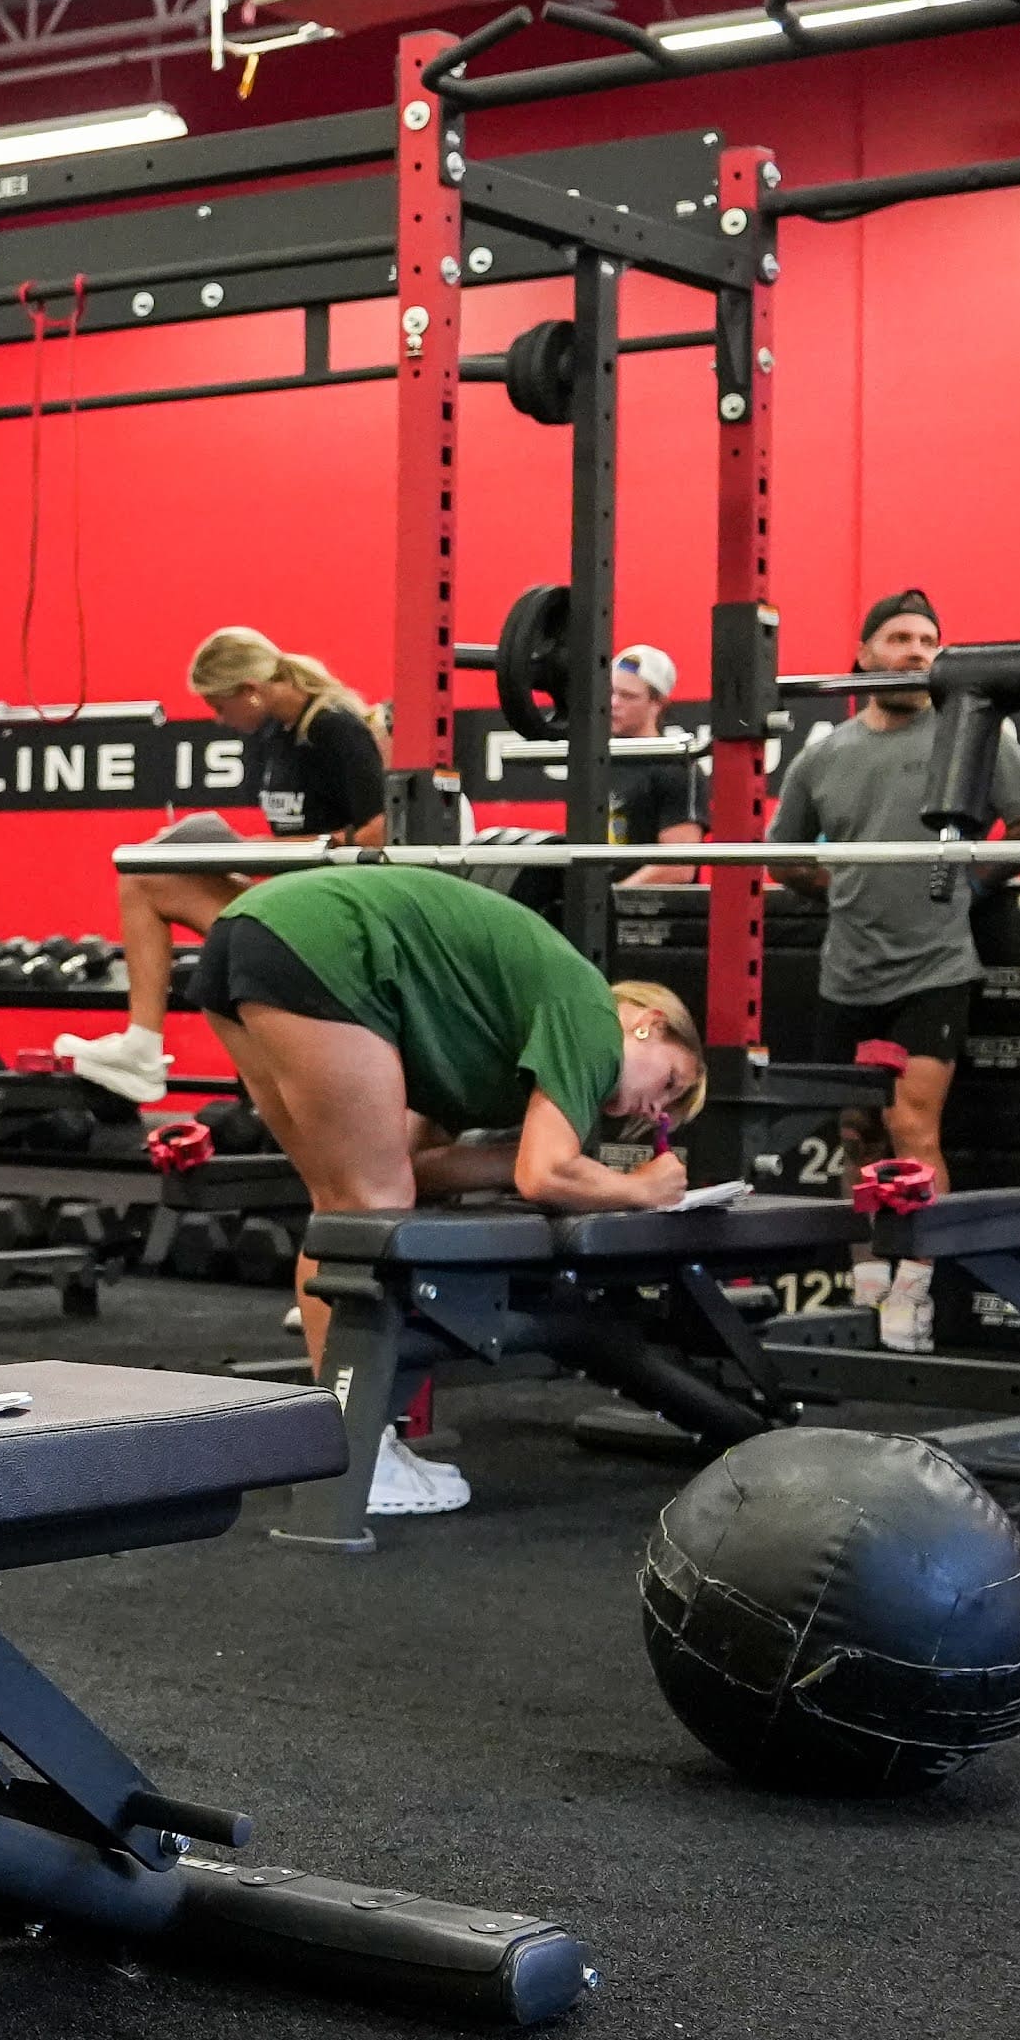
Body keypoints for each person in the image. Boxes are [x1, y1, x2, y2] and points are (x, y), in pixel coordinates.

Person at [184, 862, 708, 1519]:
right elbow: (545, 1173)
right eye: (670, 1084)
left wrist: (519, 1157)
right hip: (326, 943)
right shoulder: (593, 1016)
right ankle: (359, 1458)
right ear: (649, 1024)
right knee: (367, 1209)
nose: (651, 1110)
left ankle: (342, 1446)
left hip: (247, 934)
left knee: (342, 1207)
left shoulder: (504, 1041)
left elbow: (421, 1165)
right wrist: (639, 1188)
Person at [773, 589, 1020, 1356]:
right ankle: (867, 1283)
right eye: (899, 637)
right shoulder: (826, 753)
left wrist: (970, 881)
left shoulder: (969, 736)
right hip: (847, 974)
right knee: (856, 1130)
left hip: (935, 968)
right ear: (863, 655)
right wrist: (845, 889)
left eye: (929, 639)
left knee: (911, 1123)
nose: (916, 651)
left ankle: (915, 1289)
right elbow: (782, 852)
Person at [56, 625, 392, 1105]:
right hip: (294, 896)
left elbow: (380, 831)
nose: (217, 719)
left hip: (335, 919)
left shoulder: (333, 726)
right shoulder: (275, 733)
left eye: (219, 705)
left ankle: (148, 1054)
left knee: (149, 885)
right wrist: (247, 852)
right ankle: (142, 1049)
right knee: (142, 877)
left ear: (251, 692)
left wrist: (273, 849)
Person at [601, 642, 706, 880]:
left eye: (628, 696)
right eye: (611, 692)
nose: (614, 703)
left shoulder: (676, 765)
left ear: (657, 704)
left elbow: (679, 865)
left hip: (654, 913)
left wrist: (610, 906)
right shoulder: (597, 761)